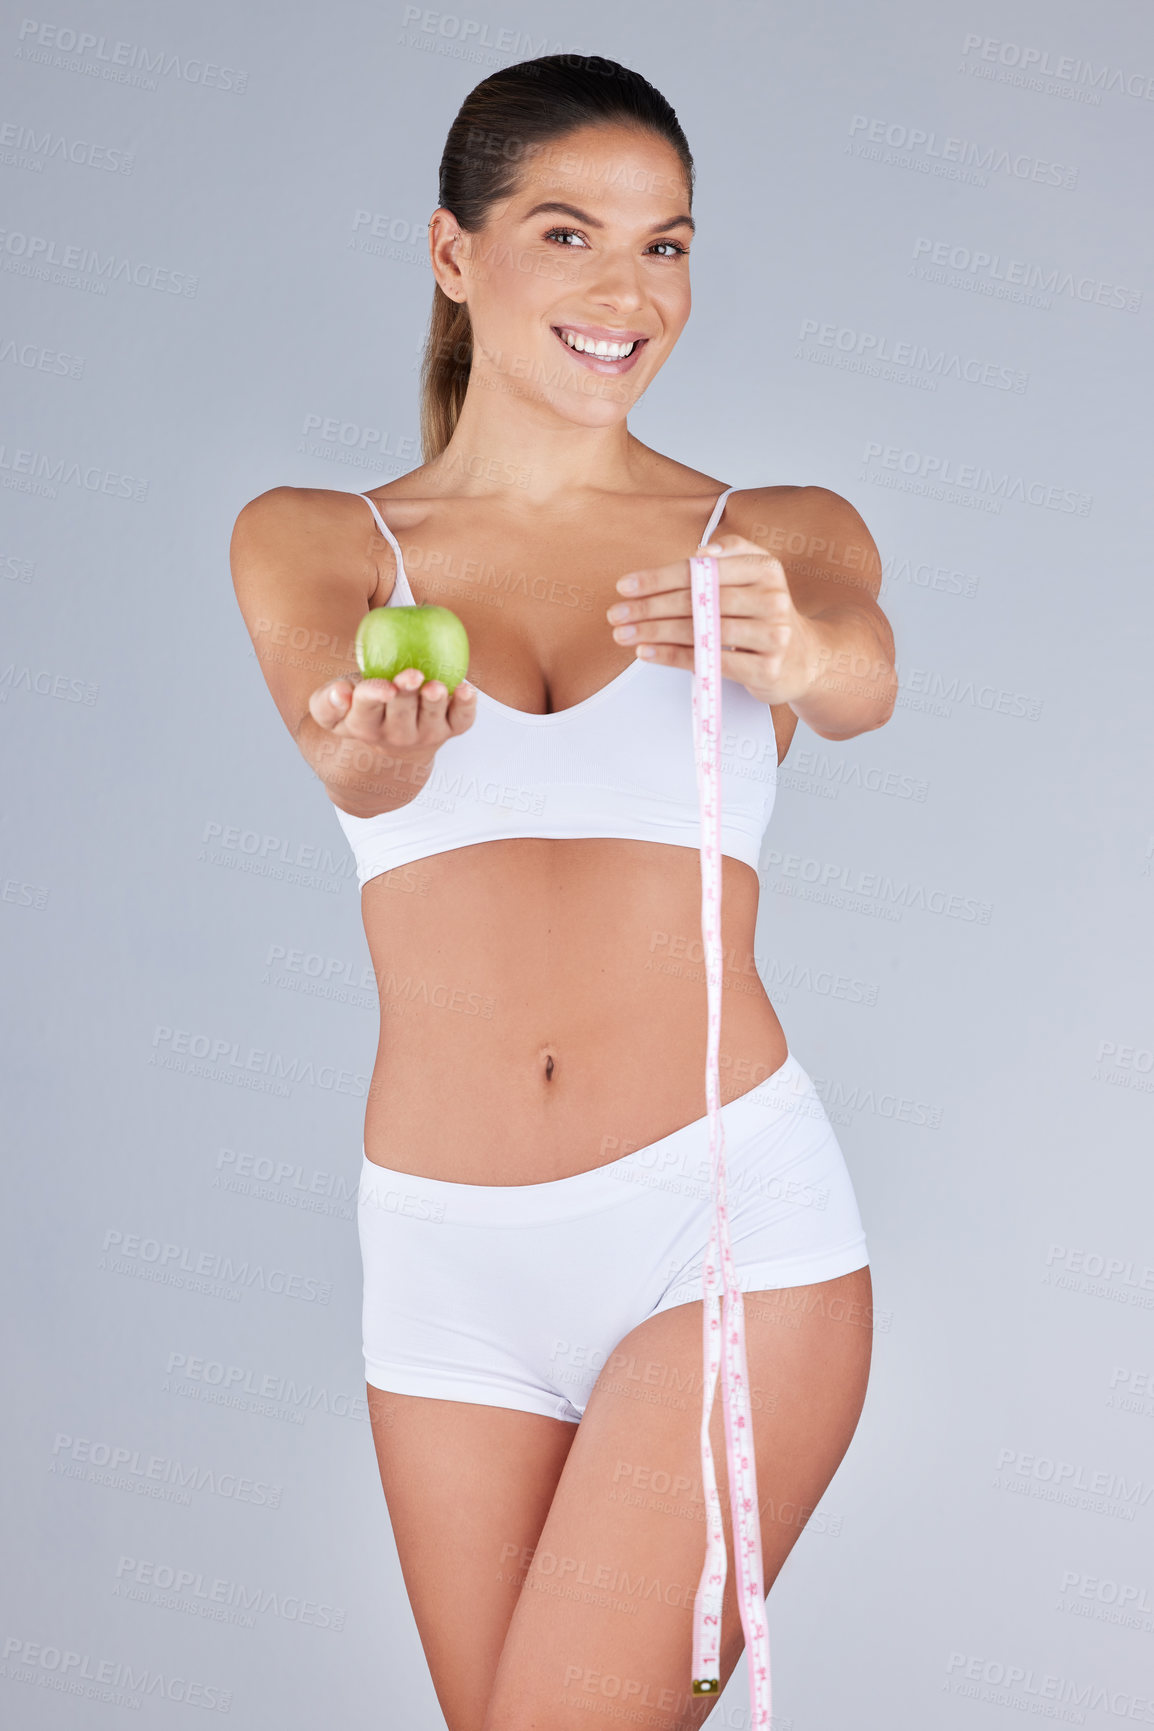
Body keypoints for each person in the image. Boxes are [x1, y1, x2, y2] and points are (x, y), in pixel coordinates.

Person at [231, 53, 896, 1731]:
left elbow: (860, 673)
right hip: (441, 1262)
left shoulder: (765, 532)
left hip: (719, 1226)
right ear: (454, 255)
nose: (628, 291)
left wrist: (798, 648)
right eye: (568, 234)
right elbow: (357, 769)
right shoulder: (319, 542)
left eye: (666, 246)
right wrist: (378, 751)